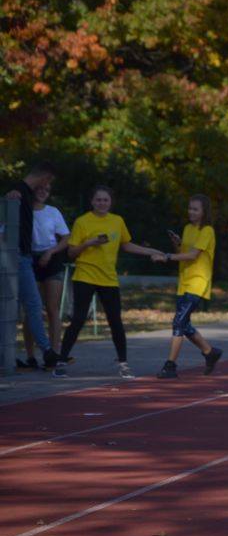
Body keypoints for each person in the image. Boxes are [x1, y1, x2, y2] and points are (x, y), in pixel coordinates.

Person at [58, 185, 164, 379]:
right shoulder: (83, 222)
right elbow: (71, 252)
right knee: (79, 319)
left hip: (108, 278)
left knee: (115, 321)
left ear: (110, 202)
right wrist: (89, 243)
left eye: (105, 200)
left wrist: (151, 251)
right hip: (85, 275)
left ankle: (123, 363)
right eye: (98, 200)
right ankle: (61, 361)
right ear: (92, 202)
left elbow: (126, 244)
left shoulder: (117, 221)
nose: (102, 203)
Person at [151, 194, 222, 378]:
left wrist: (166, 256)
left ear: (204, 211)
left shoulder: (207, 231)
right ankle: (210, 352)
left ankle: (170, 365)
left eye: (195, 209)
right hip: (185, 281)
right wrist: (177, 245)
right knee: (184, 324)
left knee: (178, 322)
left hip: (198, 282)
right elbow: (184, 253)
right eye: (190, 208)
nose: (191, 212)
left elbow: (193, 255)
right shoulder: (187, 228)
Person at [4, 162, 62, 373]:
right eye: (48, 181)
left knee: (19, 306)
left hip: (22, 256)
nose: (46, 186)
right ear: (44, 177)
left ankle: (10, 355)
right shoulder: (19, 193)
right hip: (19, 257)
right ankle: (46, 350)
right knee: (33, 305)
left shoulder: (23, 193)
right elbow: (5, 222)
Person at [20, 181, 70, 370]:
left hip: (51, 259)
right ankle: (30, 356)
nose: (43, 192)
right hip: (28, 260)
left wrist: (51, 252)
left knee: (52, 308)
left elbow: (66, 237)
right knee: (32, 310)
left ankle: (53, 353)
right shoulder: (23, 210)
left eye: (47, 190)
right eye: (39, 189)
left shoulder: (53, 212)